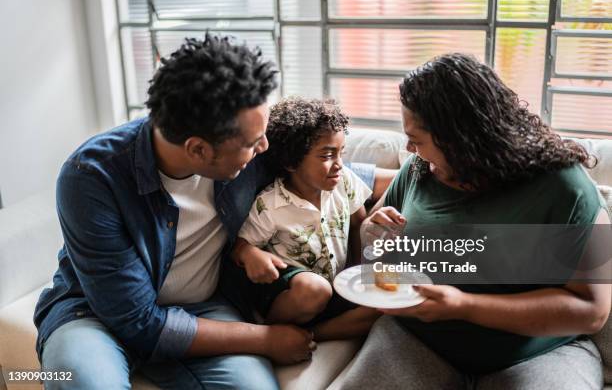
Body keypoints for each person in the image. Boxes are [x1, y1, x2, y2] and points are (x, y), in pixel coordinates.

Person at [34, 34, 316, 390]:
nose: (265, 147)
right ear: (197, 150)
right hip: (92, 315)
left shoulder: (248, 140)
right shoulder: (90, 176)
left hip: (202, 307)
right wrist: (266, 338)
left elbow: (335, 170)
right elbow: (138, 321)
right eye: (251, 143)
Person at [333, 53, 611, 390]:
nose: (409, 148)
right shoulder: (416, 170)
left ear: (463, 138)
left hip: (537, 354)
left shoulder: (565, 187)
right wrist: (371, 238)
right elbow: (380, 266)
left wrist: (465, 306)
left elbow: (592, 310)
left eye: (417, 139)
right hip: (418, 341)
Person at [233, 97, 381, 341]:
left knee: (383, 303)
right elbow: (240, 247)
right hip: (295, 291)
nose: (339, 165)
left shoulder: (345, 181)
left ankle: (310, 335)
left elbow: (358, 225)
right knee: (315, 289)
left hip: (336, 287)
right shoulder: (270, 204)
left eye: (341, 153)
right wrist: (250, 253)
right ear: (291, 162)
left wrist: (356, 276)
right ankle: (272, 332)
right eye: (327, 156)